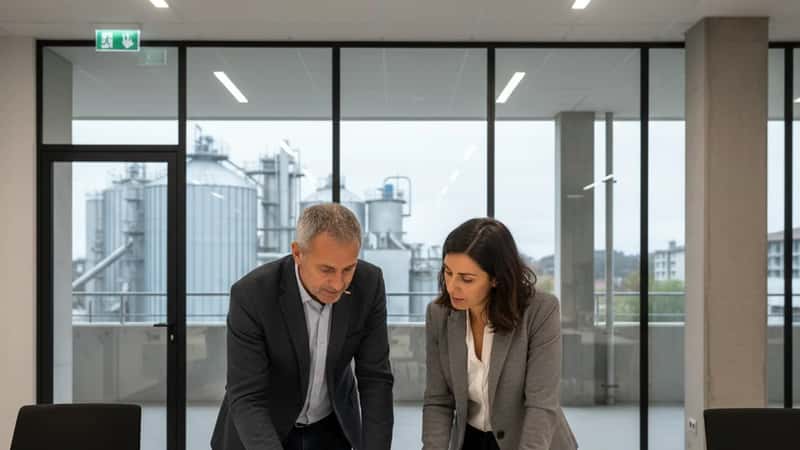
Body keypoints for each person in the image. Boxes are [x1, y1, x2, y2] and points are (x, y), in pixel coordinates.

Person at [211, 203, 394, 450]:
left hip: (331, 429)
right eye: (326, 269)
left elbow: (375, 380)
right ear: (298, 253)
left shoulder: (369, 284)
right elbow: (247, 397)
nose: (338, 284)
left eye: (348, 269)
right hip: (261, 432)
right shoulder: (252, 295)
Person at [422, 218, 578, 450]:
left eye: (467, 279)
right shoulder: (439, 314)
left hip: (531, 441)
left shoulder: (540, 311)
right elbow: (438, 401)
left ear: (496, 278)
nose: (452, 286)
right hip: (470, 439)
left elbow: (541, 405)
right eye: (448, 272)